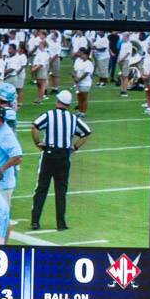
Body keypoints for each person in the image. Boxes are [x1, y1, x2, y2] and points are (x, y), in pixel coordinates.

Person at [29, 90, 91, 233]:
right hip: (64, 156)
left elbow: (35, 127)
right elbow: (86, 132)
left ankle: (35, 221)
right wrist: (74, 147)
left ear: (58, 101)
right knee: (61, 190)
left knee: (41, 189)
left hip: (49, 154)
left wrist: (38, 143)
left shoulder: (49, 115)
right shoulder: (72, 118)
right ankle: (61, 223)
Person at [72, 44, 94, 115]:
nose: (81, 55)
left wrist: (79, 79)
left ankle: (83, 112)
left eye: (83, 54)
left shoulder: (89, 63)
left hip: (85, 83)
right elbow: (76, 71)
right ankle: (79, 111)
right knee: (79, 97)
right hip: (78, 82)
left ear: (86, 55)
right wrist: (75, 78)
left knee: (84, 98)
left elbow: (86, 73)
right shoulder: (78, 61)